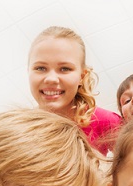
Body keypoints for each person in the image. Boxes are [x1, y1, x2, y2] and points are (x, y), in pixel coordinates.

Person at [28, 25, 121, 155]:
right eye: (40, 68)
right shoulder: (21, 131)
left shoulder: (106, 121)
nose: (51, 79)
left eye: (65, 68)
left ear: (81, 77)